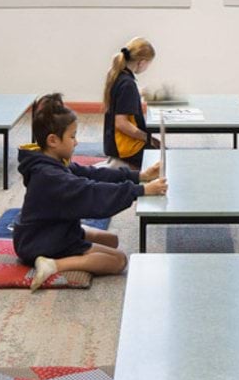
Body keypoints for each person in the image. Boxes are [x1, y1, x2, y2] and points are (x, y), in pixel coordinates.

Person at [15, 93, 165, 291]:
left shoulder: (51, 161)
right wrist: (141, 190)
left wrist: (139, 176)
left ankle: (61, 256)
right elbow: (92, 192)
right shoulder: (51, 176)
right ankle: (52, 264)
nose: (76, 142)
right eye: (72, 136)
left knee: (111, 240)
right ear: (53, 140)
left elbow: (93, 174)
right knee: (118, 260)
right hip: (41, 242)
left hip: (48, 229)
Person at [101, 37, 160, 170]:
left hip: (112, 145)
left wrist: (140, 92)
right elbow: (121, 123)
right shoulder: (128, 84)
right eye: (148, 64)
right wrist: (148, 138)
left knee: (160, 148)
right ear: (142, 62)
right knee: (165, 157)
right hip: (126, 149)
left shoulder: (118, 76)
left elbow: (123, 97)